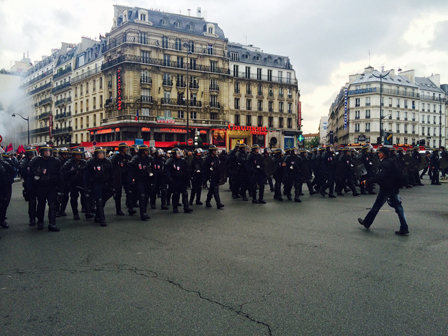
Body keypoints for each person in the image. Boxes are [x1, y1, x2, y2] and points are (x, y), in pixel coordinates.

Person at [358, 147, 409, 236]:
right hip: (394, 188)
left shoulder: (384, 164)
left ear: (384, 154)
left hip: (386, 189)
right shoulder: (393, 162)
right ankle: (404, 228)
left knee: (376, 206)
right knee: (399, 208)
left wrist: (367, 182)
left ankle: (367, 222)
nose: (378, 154)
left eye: (380, 153)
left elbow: (379, 176)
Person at [28, 145, 64, 231]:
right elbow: (30, 175)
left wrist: (60, 188)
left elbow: (60, 175)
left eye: (48, 151)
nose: (47, 152)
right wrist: (30, 187)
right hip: (41, 187)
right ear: (41, 152)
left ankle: (52, 223)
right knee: (41, 205)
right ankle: (40, 222)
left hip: (51, 186)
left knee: (53, 205)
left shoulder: (55, 161)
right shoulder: (36, 161)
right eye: (45, 151)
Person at [84, 147, 114, 226]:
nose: (101, 155)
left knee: (103, 201)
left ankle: (97, 216)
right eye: (100, 153)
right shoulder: (91, 162)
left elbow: (112, 174)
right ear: (96, 154)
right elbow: (86, 175)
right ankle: (102, 219)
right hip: (96, 184)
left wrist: (112, 184)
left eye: (102, 153)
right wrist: (86, 186)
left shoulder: (107, 162)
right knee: (99, 201)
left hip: (105, 184)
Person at [128, 145, 153, 221]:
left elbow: (152, 168)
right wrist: (131, 179)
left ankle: (144, 211)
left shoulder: (149, 158)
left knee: (146, 196)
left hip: (147, 179)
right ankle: (142, 213)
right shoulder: (136, 158)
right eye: (146, 150)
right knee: (142, 195)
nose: (147, 152)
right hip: (139, 179)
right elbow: (131, 168)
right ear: (142, 151)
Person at [165, 148, 193, 214]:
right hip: (174, 180)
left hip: (182, 180)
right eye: (177, 154)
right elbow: (167, 170)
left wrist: (187, 177)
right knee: (175, 194)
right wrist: (169, 178)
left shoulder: (182, 161)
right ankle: (175, 208)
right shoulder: (170, 161)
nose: (179, 155)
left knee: (185, 193)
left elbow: (186, 170)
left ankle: (186, 207)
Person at [62, 148, 87, 220]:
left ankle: (85, 209)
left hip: (82, 183)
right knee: (74, 198)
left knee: (85, 196)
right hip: (73, 183)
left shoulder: (84, 162)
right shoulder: (69, 163)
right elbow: (63, 173)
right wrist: (72, 172)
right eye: (77, 155)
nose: (79, 156)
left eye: (80, 155)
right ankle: (75, 213)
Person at [111, 143, 133, 215]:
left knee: (129, 192)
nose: (126, 149)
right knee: (118, 194)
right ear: (121, 149)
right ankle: (118, 209)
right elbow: (112, 167)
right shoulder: (116, 157)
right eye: (125, 148)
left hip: (126, 177)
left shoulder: (129, 156)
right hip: (118, 177)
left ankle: (130, 208)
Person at [19, 147, 37, 226]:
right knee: (32, 201)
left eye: (33, 154)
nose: (32, 156)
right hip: (30, 184)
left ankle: (39, 216)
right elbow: (22, 171)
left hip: (39, 183)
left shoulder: (38, 160)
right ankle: (32, 218)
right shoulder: (25, 162)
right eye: (31, 154)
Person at [204, 145, 225, 209]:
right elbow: (205, 168)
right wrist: (207, 176)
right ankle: (218, 203)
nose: (215, 151)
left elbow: (218, 165)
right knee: (215, 189)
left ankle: (207, 201)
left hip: (216, 175)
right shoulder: (207, 158)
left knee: (212, 189)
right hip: (211, 175)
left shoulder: (216, 158)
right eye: (214, 150)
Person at [0, 152, 15, 231]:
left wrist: (9, 181)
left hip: (4, 187)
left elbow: (12, 172)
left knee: (4, 204)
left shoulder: (5, 164)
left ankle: (2, 220)